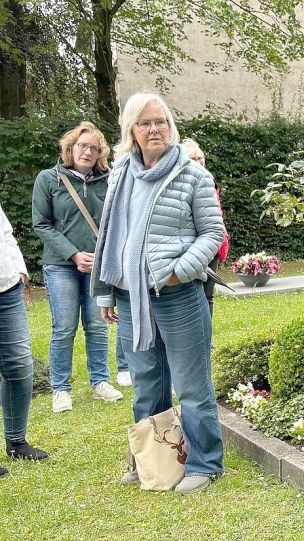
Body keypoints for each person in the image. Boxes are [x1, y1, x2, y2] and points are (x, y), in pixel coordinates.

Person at [91, 92, 226, 494]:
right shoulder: (120, 174)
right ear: (132, 130)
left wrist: (178, 272)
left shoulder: (192, 175)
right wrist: (104, 292)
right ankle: (152, 458)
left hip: (178, 296)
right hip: (131, 297)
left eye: (162, 121)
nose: (156, 129)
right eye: (146, 123)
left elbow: (212, 234)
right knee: (147, 382)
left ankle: (204, 463)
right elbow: (111, 239)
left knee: (191, 384)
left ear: (171, 126)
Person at [32, 121, 125, 413]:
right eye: (81, 146)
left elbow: (116, 222)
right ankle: (61, 389)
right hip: (61, 265)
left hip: (97, 265)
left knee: (98, 325)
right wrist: (73, 254)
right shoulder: (49, 179)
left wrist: (103, 255)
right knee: (64, 327)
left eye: (94, 148)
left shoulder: (109, 181)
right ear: (70, 148)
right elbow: (41, 224)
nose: (87, 151)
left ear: (100, 154)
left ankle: (100, 382)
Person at [0, 203, 50, 477]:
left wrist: (19, 270)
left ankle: (16, 441)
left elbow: (5, 234)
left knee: (19, 368)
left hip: (6, 289)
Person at [180, 138, 230, 317]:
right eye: (193, 159)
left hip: (212, 246)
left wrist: (221, 243)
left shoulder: (210, 182)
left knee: (208, 294)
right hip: (191, 247)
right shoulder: (181, 185)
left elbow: (217, 217)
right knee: (192, 293)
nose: (199, 162)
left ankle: (207, 339)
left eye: (200, 158)